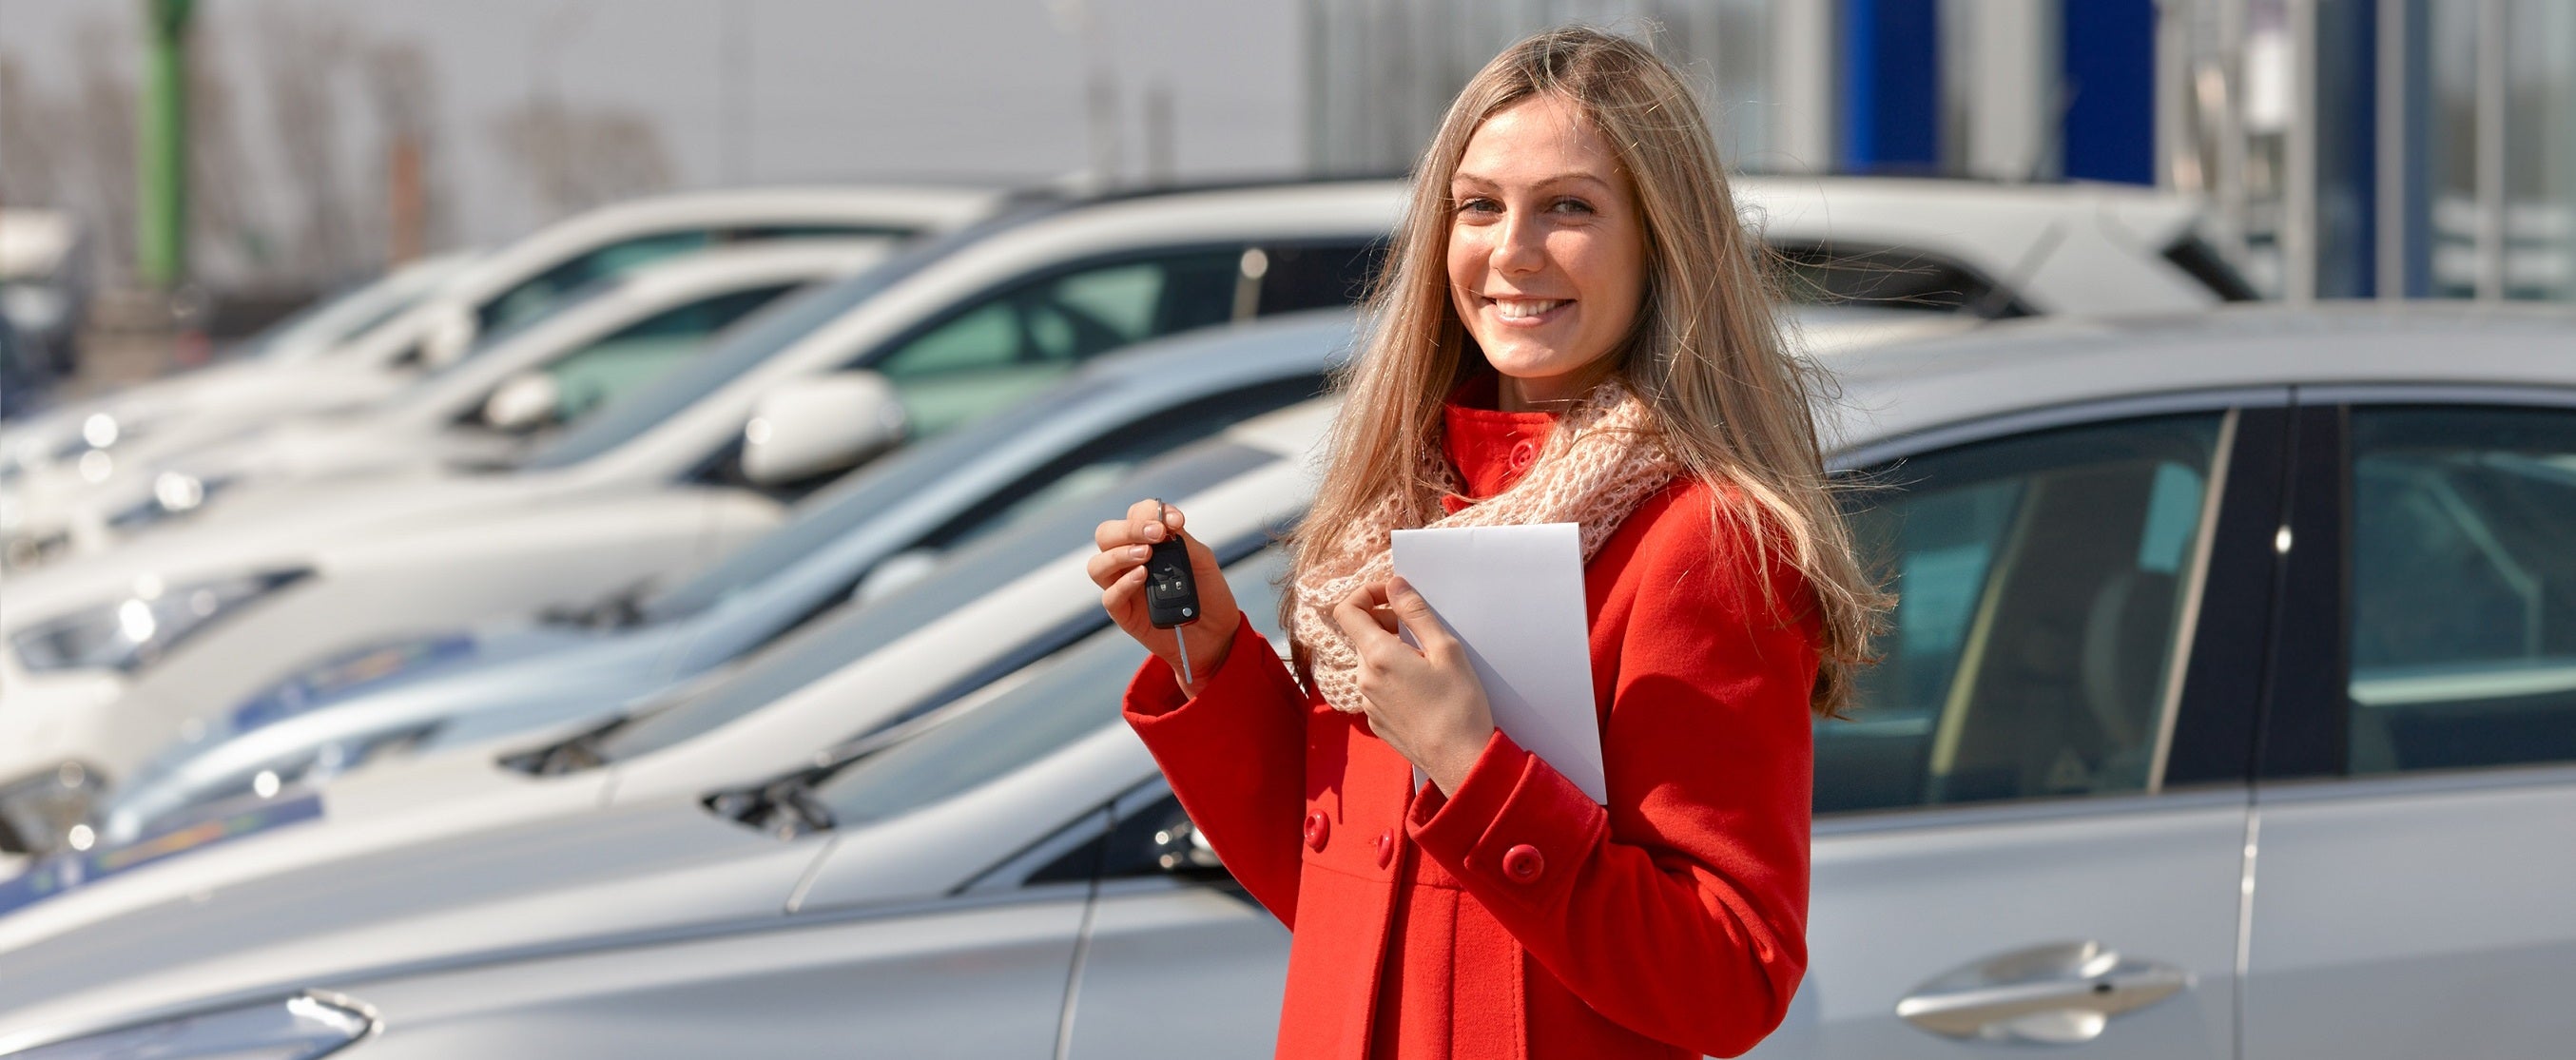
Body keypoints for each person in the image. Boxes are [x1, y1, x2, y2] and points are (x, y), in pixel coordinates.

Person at [1086, 26, 1884, 1060]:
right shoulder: (1396, 507)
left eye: (1570, 207)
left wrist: (1473, 763)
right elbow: (1343, 897)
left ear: (1661, 239)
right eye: (1479, 205)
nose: (1512, 250)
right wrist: (1211, 654)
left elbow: (1732, 978)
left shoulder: (1704, 539)